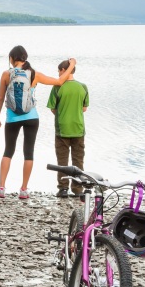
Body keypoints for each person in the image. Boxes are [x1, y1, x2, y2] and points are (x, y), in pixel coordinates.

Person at [0, 46, 75, 200]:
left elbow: (0, 98)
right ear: (25, 58)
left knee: (8, 151)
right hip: (31, 117)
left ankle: (1, 187)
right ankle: (23, 189)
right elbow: (59, 81)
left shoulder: (6, 74)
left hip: (12, 118)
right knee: (28, 152)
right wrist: (71, 65)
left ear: (12, 58)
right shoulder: (34, 74)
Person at [48, 60, 90, 197]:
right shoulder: (83, 87)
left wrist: (62, 113)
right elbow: (84, 108)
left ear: (63, 70)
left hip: (62, 128)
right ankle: (78, 189)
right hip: (78, 128)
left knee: (62, 161)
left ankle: (63, 188)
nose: (58, 74)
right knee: (78, 160)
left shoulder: (57, 87)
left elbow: (53, 108)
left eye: (59, 70)